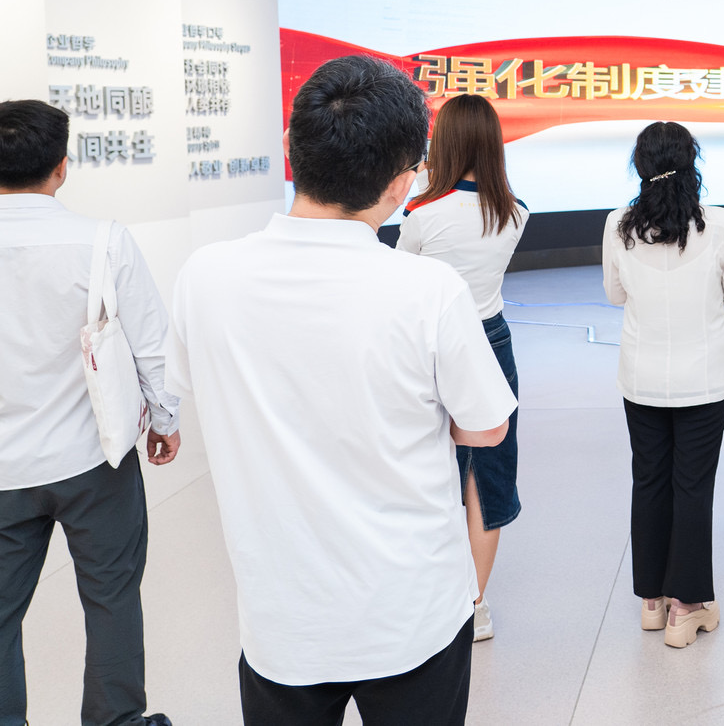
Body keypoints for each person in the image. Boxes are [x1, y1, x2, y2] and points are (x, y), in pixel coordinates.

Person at [164, 56, 516, 726]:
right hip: (412, 614)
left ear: (290, 149)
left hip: (282, 622)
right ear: (402, 182)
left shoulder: (205, 276)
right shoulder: (428, 291)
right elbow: (486, 428)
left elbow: (187, 380)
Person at [0, 99, 180, 726]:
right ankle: (115, 721)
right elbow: (152, 344)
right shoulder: (103, 241)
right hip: (94, 457)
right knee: (111, 597)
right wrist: (165, 421)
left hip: (3, 471)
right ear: (62, 166)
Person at [602, 121, 724, 649]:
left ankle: (652, 601)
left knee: (649, 481)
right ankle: (686, 607)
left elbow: (614, 295)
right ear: (692, 165)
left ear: (640, 167)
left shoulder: (618, 224)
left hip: (640, 378)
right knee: (692, 486)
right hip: (704, 382)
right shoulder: (721, 223)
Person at [398, 93, 529, 643]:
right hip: (491, 345)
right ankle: (475, 604)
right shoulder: (515, 212)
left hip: (427, 349)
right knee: (487, 478)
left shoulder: (421, 214)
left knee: (426, 467)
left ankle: (432, 598)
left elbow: (400, 282)